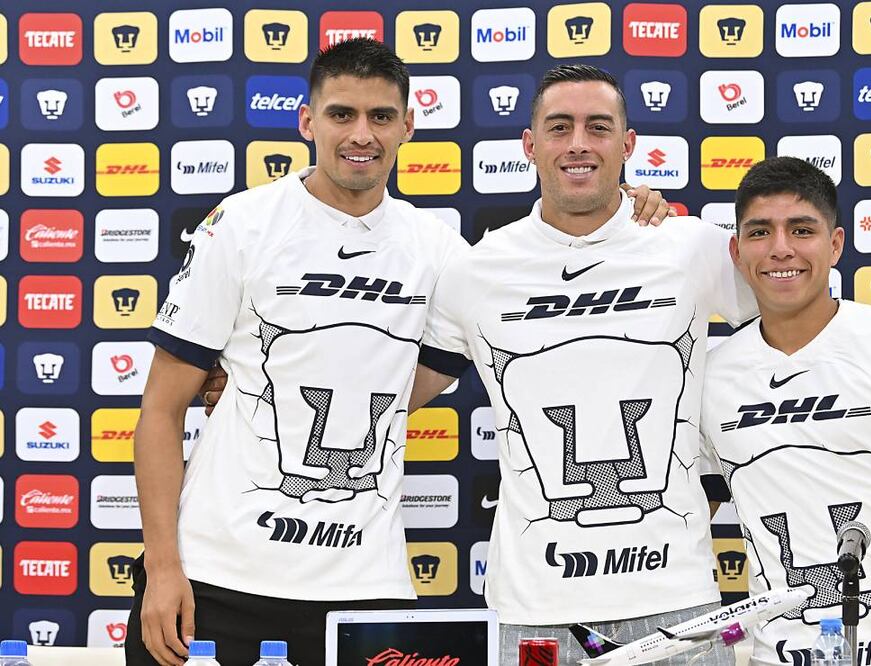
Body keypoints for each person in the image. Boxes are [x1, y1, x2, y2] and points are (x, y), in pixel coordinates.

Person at [132, 39, 669, 666]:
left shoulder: (439, 251)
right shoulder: (242, 226)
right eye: (341, 114)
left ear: (408, 126)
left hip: (367, 587)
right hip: (215, 576)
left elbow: (552, 274)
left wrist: (632, 214)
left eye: (381, 117)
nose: (362, 134)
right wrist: (165, 569)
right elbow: (161, 412)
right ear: (307, 121)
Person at [408, 66, 871, 664]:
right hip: (532, 610)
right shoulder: (475, 271)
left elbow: (805, 301)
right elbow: (394, 385)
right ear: (529, 143)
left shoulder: (688, 246)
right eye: (559, 127)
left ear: (627, 146)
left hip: (681, 603)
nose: (578, 143)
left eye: (598, 127)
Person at [699, 157, 871, 666]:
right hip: (775, 654)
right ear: (737, 252)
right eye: (760, 232)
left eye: (801, 229)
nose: (781, 248)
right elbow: (691, 513)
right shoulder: (710, 378)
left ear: (835, 244)